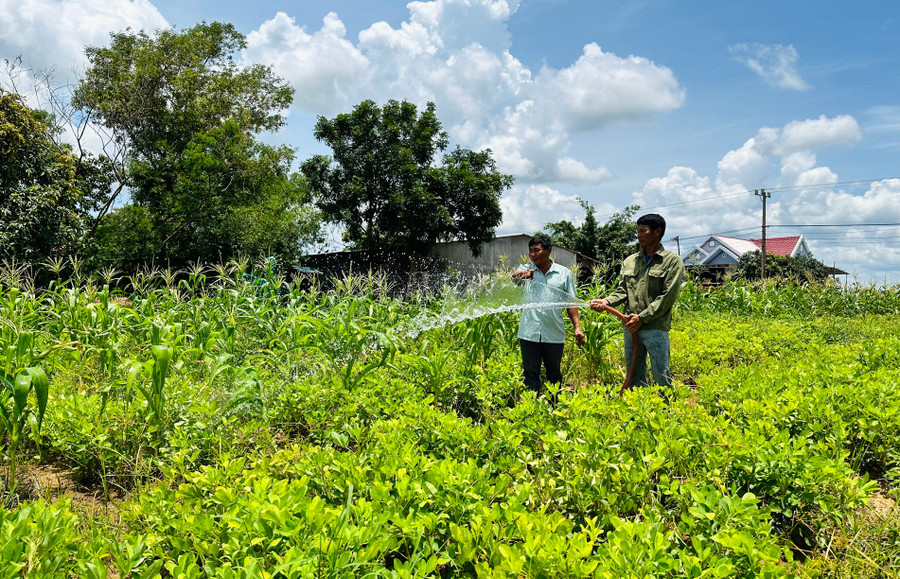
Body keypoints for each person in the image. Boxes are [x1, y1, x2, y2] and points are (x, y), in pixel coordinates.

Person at [590, 214, 684, 389]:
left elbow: (667, 296)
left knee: (661, 373)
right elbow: (622, 291)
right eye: (638, 231)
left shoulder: (672, 261)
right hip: (631, 326)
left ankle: (665, 409)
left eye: (643, 231)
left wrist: (642, 318)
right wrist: (606, 302)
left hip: (655, 327)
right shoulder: (630, 261)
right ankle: (636, 410)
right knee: (634, 372)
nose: (639, 235)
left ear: (658, 232)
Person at [512, 235, 585, 398]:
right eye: (530, 251)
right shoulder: (527, 269)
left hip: (553, 333)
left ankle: (555, 410)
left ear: (548, 250)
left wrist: (577, 328)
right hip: (529, 333)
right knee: (530, 373)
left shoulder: (563, 273)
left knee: (554, 374)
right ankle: (531, 410)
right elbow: (514, 278)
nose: (532, 255)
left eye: (536, 250)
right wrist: (521, 275)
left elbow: (570, 303)